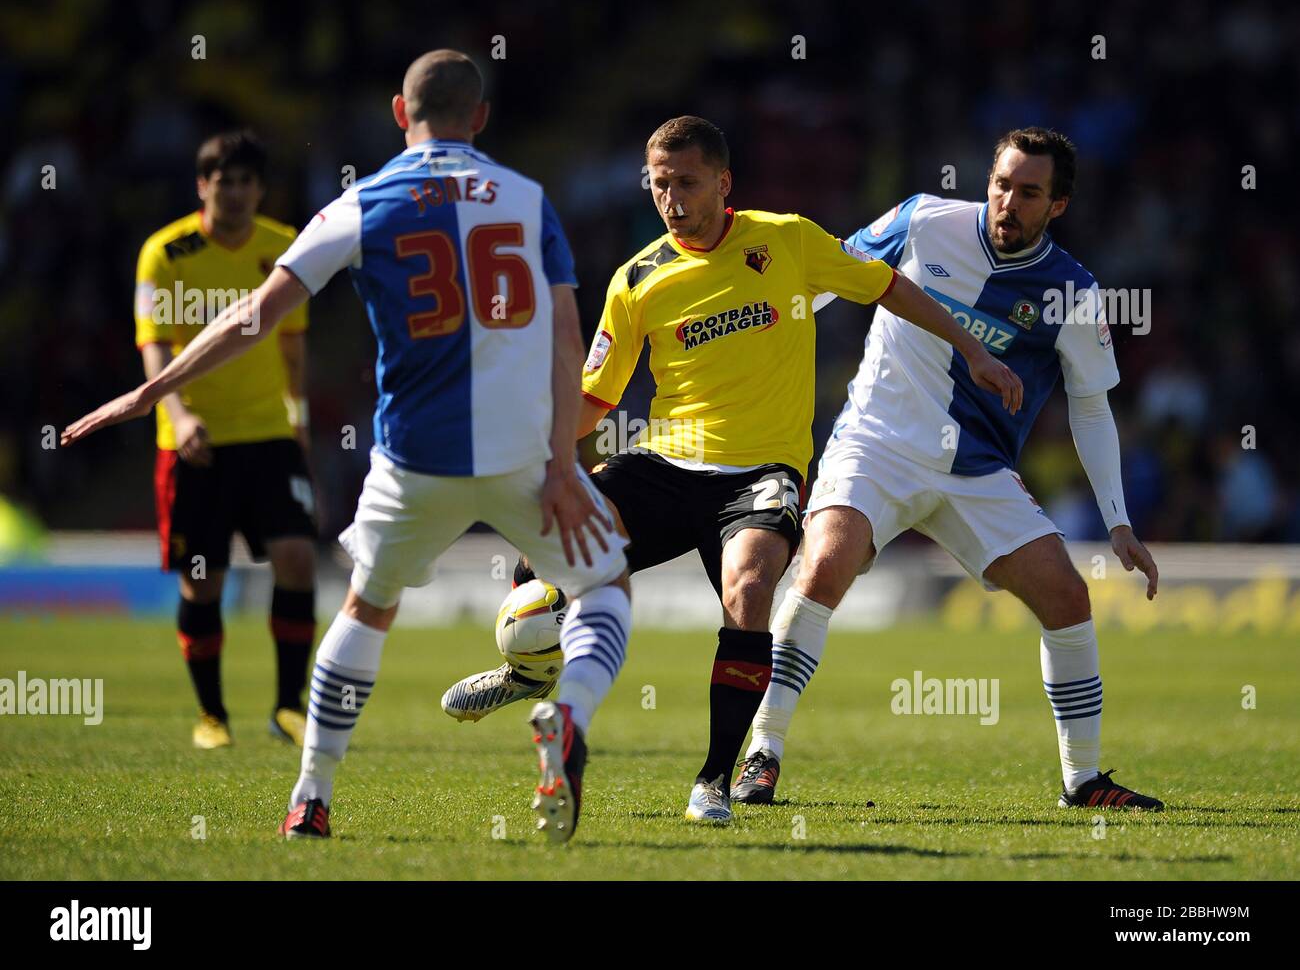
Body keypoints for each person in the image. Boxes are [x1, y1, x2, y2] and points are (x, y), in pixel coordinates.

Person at [63, 49, 629, 844]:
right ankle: (567, 717)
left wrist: (151, 391)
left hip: (413, 462)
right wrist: (566, 463)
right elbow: (569, 337)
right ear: (483, 117)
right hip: (522, 454)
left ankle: (311, 797)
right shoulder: (528, 200)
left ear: (400, 115)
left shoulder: (360, 204)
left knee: (368, 606)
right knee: (605, 588)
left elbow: (253, 317)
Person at [440, 115, 1023, 824]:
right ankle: (529, 667)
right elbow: (597, 394)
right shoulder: (637, 279)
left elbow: (888, 288)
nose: (672, 198)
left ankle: (713, 778)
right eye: (659, 184)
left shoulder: (787, 240)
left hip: (759, 472)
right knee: (544, 543)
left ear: (723, 182)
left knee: (748, 589)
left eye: (686, 182)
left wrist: (975, 351)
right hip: (665, 460)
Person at [733, 127, 1164, 812]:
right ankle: (763, 751)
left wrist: (1118, 521)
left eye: (1029, 193)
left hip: (976, 468)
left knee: (1067, 597)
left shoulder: (1072, 291)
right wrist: (764, 337)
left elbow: (1090, 404)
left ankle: (1083, 781)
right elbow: (829, 277)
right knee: (822, 568)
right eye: (1001, 185)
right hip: (877, 441)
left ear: (1058, 205)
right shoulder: (924, 221)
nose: (1008, 203)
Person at [134, 130, 316, 750]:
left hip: (268, 433)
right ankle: (211, 715)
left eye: (246, 181)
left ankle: (289, 707)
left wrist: (299, 419)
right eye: (224, 181)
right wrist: (179, 416)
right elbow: (154, 345)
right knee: (203, 580)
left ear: (260, 189)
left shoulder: (285, 247)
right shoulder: (165, 253)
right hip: (195, 440)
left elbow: (292, 344)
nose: (235, 193)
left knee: (295, 559)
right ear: (202, 186)